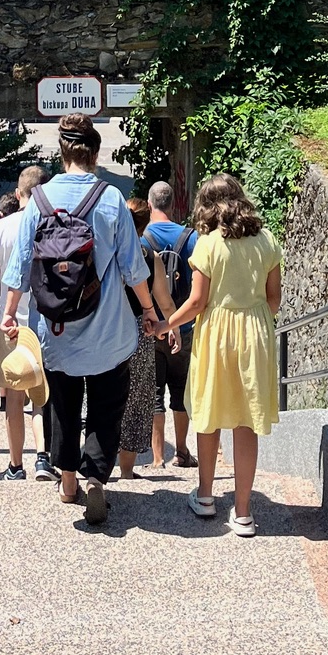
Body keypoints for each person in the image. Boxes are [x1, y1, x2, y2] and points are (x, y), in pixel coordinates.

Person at [0, 114, 164, 525]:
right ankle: (96, 478)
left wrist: (8, 314)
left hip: (57, 330)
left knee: (63, 404)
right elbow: (134, 269)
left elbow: (19, 266)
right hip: (109, 332)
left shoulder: (38, 200)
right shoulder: (111, 200)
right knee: (107, 405)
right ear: (94, 154)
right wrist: (148, 311)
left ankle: (69, 480)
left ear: (62, 153)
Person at [161, 172, 281, 537]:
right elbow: (274, 298)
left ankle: (205, 496)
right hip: (255, 332)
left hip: (215, 333)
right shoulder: (267, 241)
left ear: (207, 207)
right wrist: (252, 319)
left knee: (209, 412)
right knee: (246, 420)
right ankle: (243, 513)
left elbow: (197, 302)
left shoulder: (208, 244)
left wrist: (167, 323)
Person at [0, 164, 53, 481]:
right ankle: (43, 457)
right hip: (47, 322)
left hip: (11, 324)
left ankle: (16, 465)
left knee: (15, 396)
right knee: (42, 395)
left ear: (18, 194)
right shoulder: (53, 225)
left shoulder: (0, 228)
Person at [116, 197, 180, 478]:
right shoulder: (149, 257)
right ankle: (126, 471)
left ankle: (98, 466)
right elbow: (164, 301)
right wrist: (173, 328)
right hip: (139, 334)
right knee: (136, 400)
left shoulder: (108, 250)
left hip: (106, 330)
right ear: (144, 225)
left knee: (103, 393)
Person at [142, 180, 198, 469]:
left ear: (149, 205)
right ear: (173, 205)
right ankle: (182, 451)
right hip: (183, 326)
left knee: (154, 393)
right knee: (180, 391)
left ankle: (157, 457)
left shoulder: (142, 239)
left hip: (151, 326)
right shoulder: (191, 238)